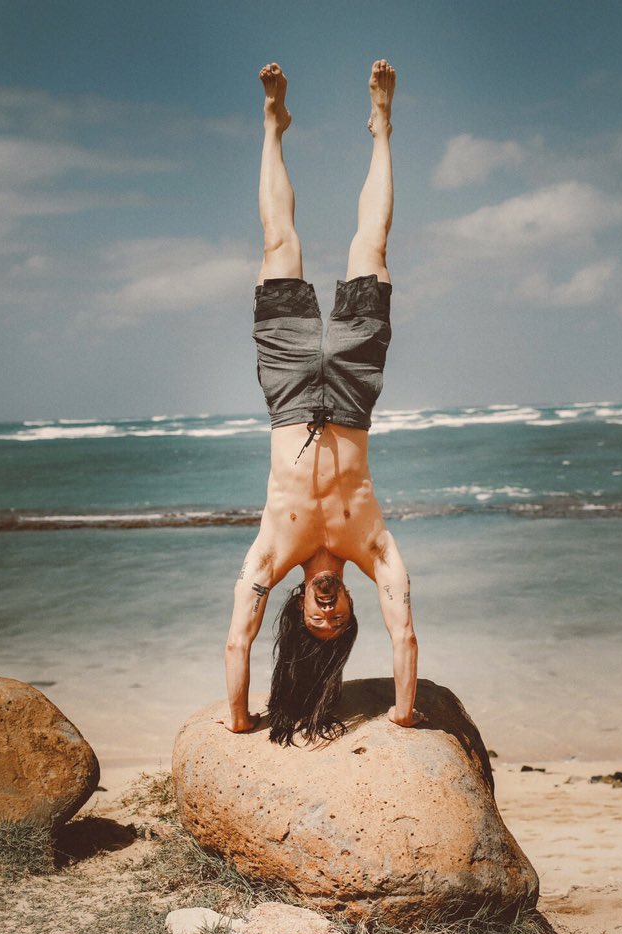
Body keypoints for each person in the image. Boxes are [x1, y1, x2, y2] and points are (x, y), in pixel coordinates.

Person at [222, 59, 423, 745]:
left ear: (301, 610)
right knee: (373, 245)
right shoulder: (372, 547)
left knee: (279, 244)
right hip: (355, 394)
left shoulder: (272, 553)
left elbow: (235, 644)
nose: (329, 619)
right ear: (350, 612)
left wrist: (239, 716)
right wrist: (402, 709)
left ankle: (272, 127)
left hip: (286, 392)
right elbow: (405, 631)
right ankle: (383, 129)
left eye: (319, 624)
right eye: (340, 624)